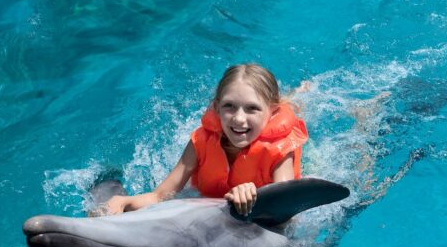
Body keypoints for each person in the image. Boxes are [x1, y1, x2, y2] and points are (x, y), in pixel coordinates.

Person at [103, 63, 308, 216]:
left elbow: (286, 214)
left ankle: (301, 94)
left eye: (252, 108)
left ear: (272, 112)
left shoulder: (280, 152)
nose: (238, 118)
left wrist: (256, 196)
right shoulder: (200, 142)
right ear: (217, 107)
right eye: (229, 106)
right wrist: (124, 201)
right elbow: (159, 196)